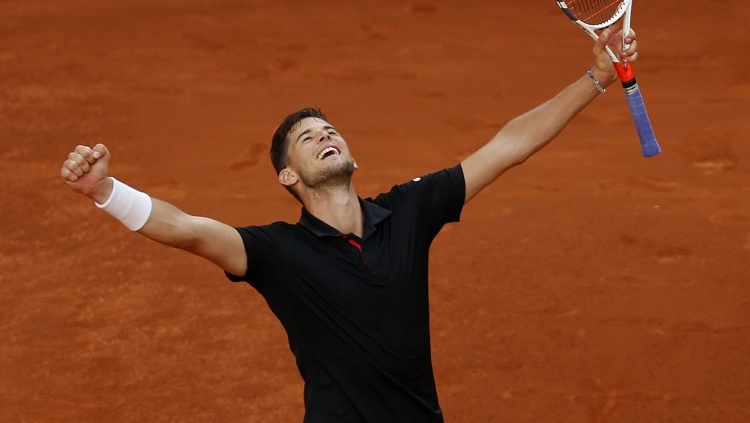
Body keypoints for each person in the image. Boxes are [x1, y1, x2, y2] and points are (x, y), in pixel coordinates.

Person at [60, 28, 638, 422]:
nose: (325, 137)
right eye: (307, 139)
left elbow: (508, 146)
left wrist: (594, 78)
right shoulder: (278, 253)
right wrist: (105, 190)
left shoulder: (409, 211)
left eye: (329, 130)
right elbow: (187, 228)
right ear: (288, 177)